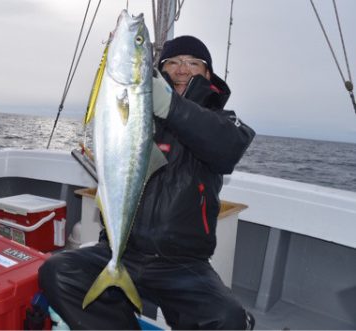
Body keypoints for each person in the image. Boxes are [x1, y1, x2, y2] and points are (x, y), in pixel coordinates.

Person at [39, 35, 256, 330]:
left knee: (227, 318)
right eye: (173, 62)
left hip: (183, 264)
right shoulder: (139, 113)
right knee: (57, 271)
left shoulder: (222, 120)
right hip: (122, 249)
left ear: (208, 74)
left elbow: (228, 149)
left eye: (194, 63)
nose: (182, 69)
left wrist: (171, 107)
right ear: (159, 70)